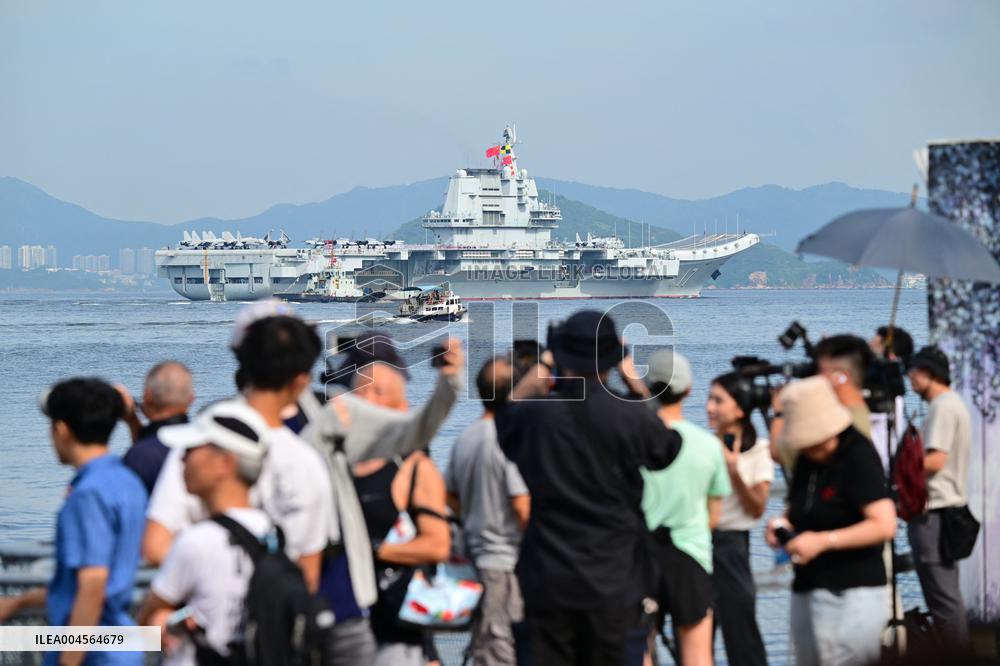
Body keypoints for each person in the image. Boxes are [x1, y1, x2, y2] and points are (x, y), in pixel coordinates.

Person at [495, 310, 682, 666]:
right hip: (616, 581)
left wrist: (543, 365)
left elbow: (504, 421)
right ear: (615, 356)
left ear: (560, 353)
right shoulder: (629, 414)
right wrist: (635, 383)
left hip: (548, 578)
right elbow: (666, 449)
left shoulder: (537, 416)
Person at [301, 331, 465, 666]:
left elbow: (436, 545)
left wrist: (369, 552)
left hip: (395, 628)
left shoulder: (411, 463)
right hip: (335, 621)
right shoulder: (326, 455)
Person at [143, 314, 335, 597]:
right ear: (301, 382)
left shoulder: (203, 440)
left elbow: (155, 546)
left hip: (200, 618)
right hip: (274, 628)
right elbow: (308, 575)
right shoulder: (308, 464)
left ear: (242, 364)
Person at [0, 379, 147, 666]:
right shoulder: (128, 482)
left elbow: (92, 585)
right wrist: (19, 602)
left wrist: (69, 660)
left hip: (94, 655)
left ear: (61, 430)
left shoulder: (88, 495)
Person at [766, 376, 896, 666]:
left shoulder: (857, 455)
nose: (807, 448)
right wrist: (783, 525)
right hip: (808, 587)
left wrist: (824, 541)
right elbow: (798, 507)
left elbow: (884, 524)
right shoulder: (807, 460)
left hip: (851, 591)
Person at [138, 400, 272, 665]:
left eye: (190, 450)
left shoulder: (196, 542)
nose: (182, 458)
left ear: (224, 464)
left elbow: (145, 627)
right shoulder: (273, 533)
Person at [641, 350, 730, 666]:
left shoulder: (631, 441)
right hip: (691, 557)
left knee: (640, 651)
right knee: (698, 656)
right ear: (689, 391)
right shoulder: (708, 446)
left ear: (646, 387)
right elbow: (715, 517)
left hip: (639, 559)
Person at [446, 356, 530, 666]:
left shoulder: (466, 439)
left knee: (485, 646)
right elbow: (522, 506)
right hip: (506, 564)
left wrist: (477, 515)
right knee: (502, 650)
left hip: (474, 560)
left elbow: (450, 495)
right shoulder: (507, 439)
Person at [906, 345, 972, 645]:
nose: (910, 378)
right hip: (949, 511)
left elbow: (934, 461)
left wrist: (901, 476)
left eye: (914, 372)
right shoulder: (953, 403)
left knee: (943, 600)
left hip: (935, 513)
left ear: (929, 373)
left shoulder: (942, 406)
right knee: (948, 595)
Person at [705, 372, 770, 666]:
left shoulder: (759, 450)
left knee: (741, 634)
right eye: (709, 399)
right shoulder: (700, 446)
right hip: (696, 543)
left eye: (718, 400)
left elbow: (757, 508)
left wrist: (734, 471)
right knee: (697, 638)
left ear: (740, 410)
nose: (709, 407)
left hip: (732, 546)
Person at [771, 335, 874, 472]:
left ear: (840, 378)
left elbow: (780, 454)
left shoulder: (841, 426)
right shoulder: (867, 413)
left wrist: (780, 412)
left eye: (821, 371)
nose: (815, 377)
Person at [119, 361, 196, 494]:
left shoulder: (141, 456)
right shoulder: (205, 445)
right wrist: (133, 421)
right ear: (191, 399)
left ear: (147, 397)